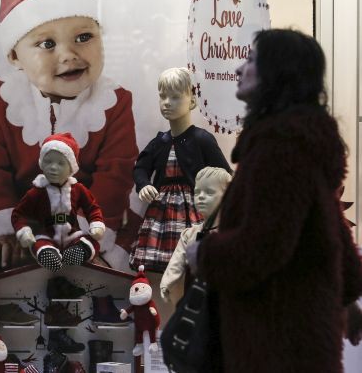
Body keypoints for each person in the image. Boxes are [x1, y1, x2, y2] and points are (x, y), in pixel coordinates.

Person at [187, 29, 362, 372]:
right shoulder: (297, 144)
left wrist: (203, 254)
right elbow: (330, 229)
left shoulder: (278, 150)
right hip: (296, 334)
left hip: (274, 339)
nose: (239, 69)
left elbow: (264, 245)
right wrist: (347, 296)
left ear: (276, 72)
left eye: (251, 60)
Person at [0, 0, 140, 271]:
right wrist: (5, 227)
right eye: (47, 44)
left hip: (88, 219)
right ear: (15, 56)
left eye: (84, 37)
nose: (69, 55)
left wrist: (87, 232)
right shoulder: (0, 96)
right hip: (25, 222)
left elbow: (116, 173)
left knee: (121, 245)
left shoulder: (115, 101)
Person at [130, 67, 231, 273]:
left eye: (175, 97)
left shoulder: (201, 139)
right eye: (163, 97)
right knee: (164, 269)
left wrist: (218, 198)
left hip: (193, 207)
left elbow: (224, 173)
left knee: (194, 260)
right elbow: (141, 167)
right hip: (162, 211)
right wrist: (144, 184)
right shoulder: (160, 141)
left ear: (191, 101)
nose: (167, 102)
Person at [11, 133, 105, 272]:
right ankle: (49, 256)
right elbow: (19, 214)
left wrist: (96, 224)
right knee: (39, 245)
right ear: (41, 163)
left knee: (91, 242)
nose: (53, 167)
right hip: (47, 235)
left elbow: (92, 208)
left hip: (73, 234)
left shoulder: (78, 189)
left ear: (71, 168)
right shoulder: (37, 192)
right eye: (48, 162)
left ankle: (77, 253)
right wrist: (24, 231)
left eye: (61, 163)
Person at [160, 167, 232, 305]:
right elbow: (176, 262)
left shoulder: (230, 233)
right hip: (194, 302)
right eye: (197, 192)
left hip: (223, 302)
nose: (201, 197)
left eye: (209, 192)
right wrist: (166, 283)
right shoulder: (190, 234)